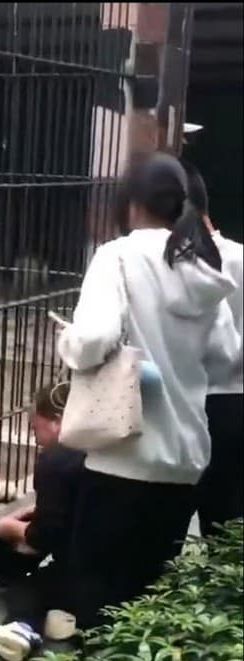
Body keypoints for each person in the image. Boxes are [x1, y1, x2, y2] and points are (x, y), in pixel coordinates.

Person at [56, 151, 239, 632]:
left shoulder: (117, 256)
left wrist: (68, 342)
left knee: (98, 603)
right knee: (145, 609)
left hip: (124, 457)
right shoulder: (204, 268)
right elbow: (226, 356)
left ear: (131, 203)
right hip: (185, 463)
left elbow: (92, 340)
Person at [0, 383, 85, 661]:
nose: (35, 439)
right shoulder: (100, 449)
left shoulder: (56, 459)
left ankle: (22, 629)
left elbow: (43, 538)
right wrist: (39, 512)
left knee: (26, 589)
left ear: (57, 421)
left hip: (85, 570)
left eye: (35, 428)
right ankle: (60, 620)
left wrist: (6, 528)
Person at [183, 160, 244, 538]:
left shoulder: (179, 264)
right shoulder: (240, 256)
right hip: (236, 400)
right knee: (225, 523)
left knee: (173, 516)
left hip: (191, 400)